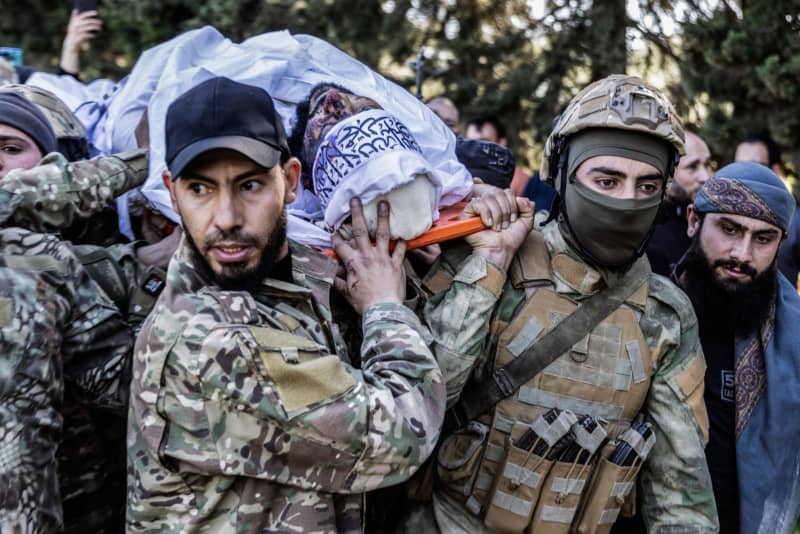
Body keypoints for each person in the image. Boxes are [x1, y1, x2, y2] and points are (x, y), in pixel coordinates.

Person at [126, 77, 446, 532]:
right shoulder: (205, 340)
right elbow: (402, 435)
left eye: (250, 185)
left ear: (291, 181)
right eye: (200, 189)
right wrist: (383, 308)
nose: (227, 219)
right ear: (172, 193)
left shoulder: (294, 277)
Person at [416, 75, 718, 533]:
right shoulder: (492, 255)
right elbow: (417, 408)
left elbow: (680, 490)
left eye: (646, 185)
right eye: (607, 179)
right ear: (562, 173)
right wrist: (489, 265)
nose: (626, 201)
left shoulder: (664, 313)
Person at [676, 162, 800, 534]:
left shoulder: (791, 337)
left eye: (763, 238)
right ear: (694, 220)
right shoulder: (648, 311)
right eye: (729, 230)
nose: (742, 254)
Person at [646, 129, 713, 275]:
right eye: (692, 167)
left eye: (708, 164)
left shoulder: (711, 223)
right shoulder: (647, 236)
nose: (706, 177)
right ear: (665, 171)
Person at [465, 115, 530, 195]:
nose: (475, 150)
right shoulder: (460, 178)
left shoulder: (521, 181)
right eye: (469, 143)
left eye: (483, 143)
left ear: (501, 143)